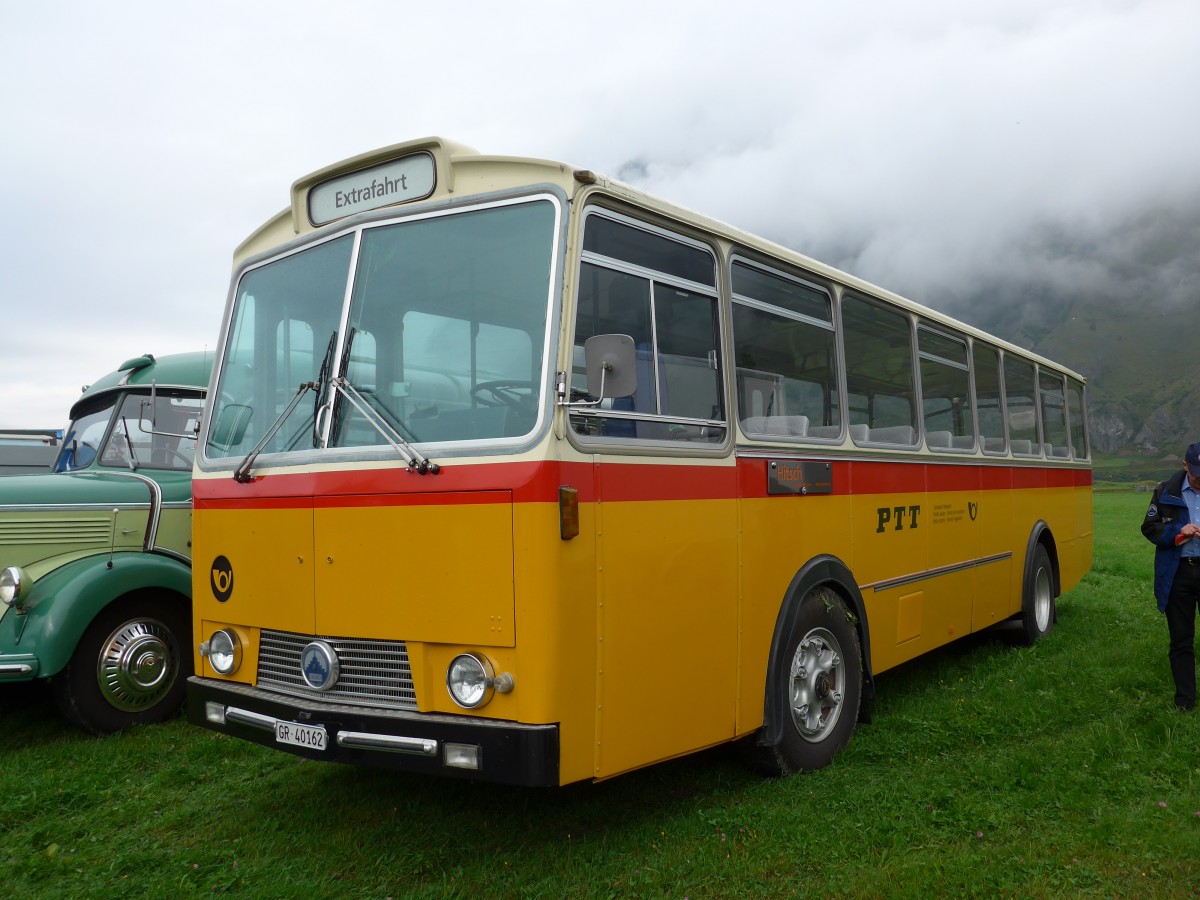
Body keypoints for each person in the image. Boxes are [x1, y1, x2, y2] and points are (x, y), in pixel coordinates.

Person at [1141, 442, 1200, 711]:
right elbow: (1150, 527)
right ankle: (1185, 701)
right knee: (1181, 639)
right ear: (1185, 466)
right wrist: (1179, 530)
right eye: (1197, 473)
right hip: (1179, 573)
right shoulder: (1165, 492)